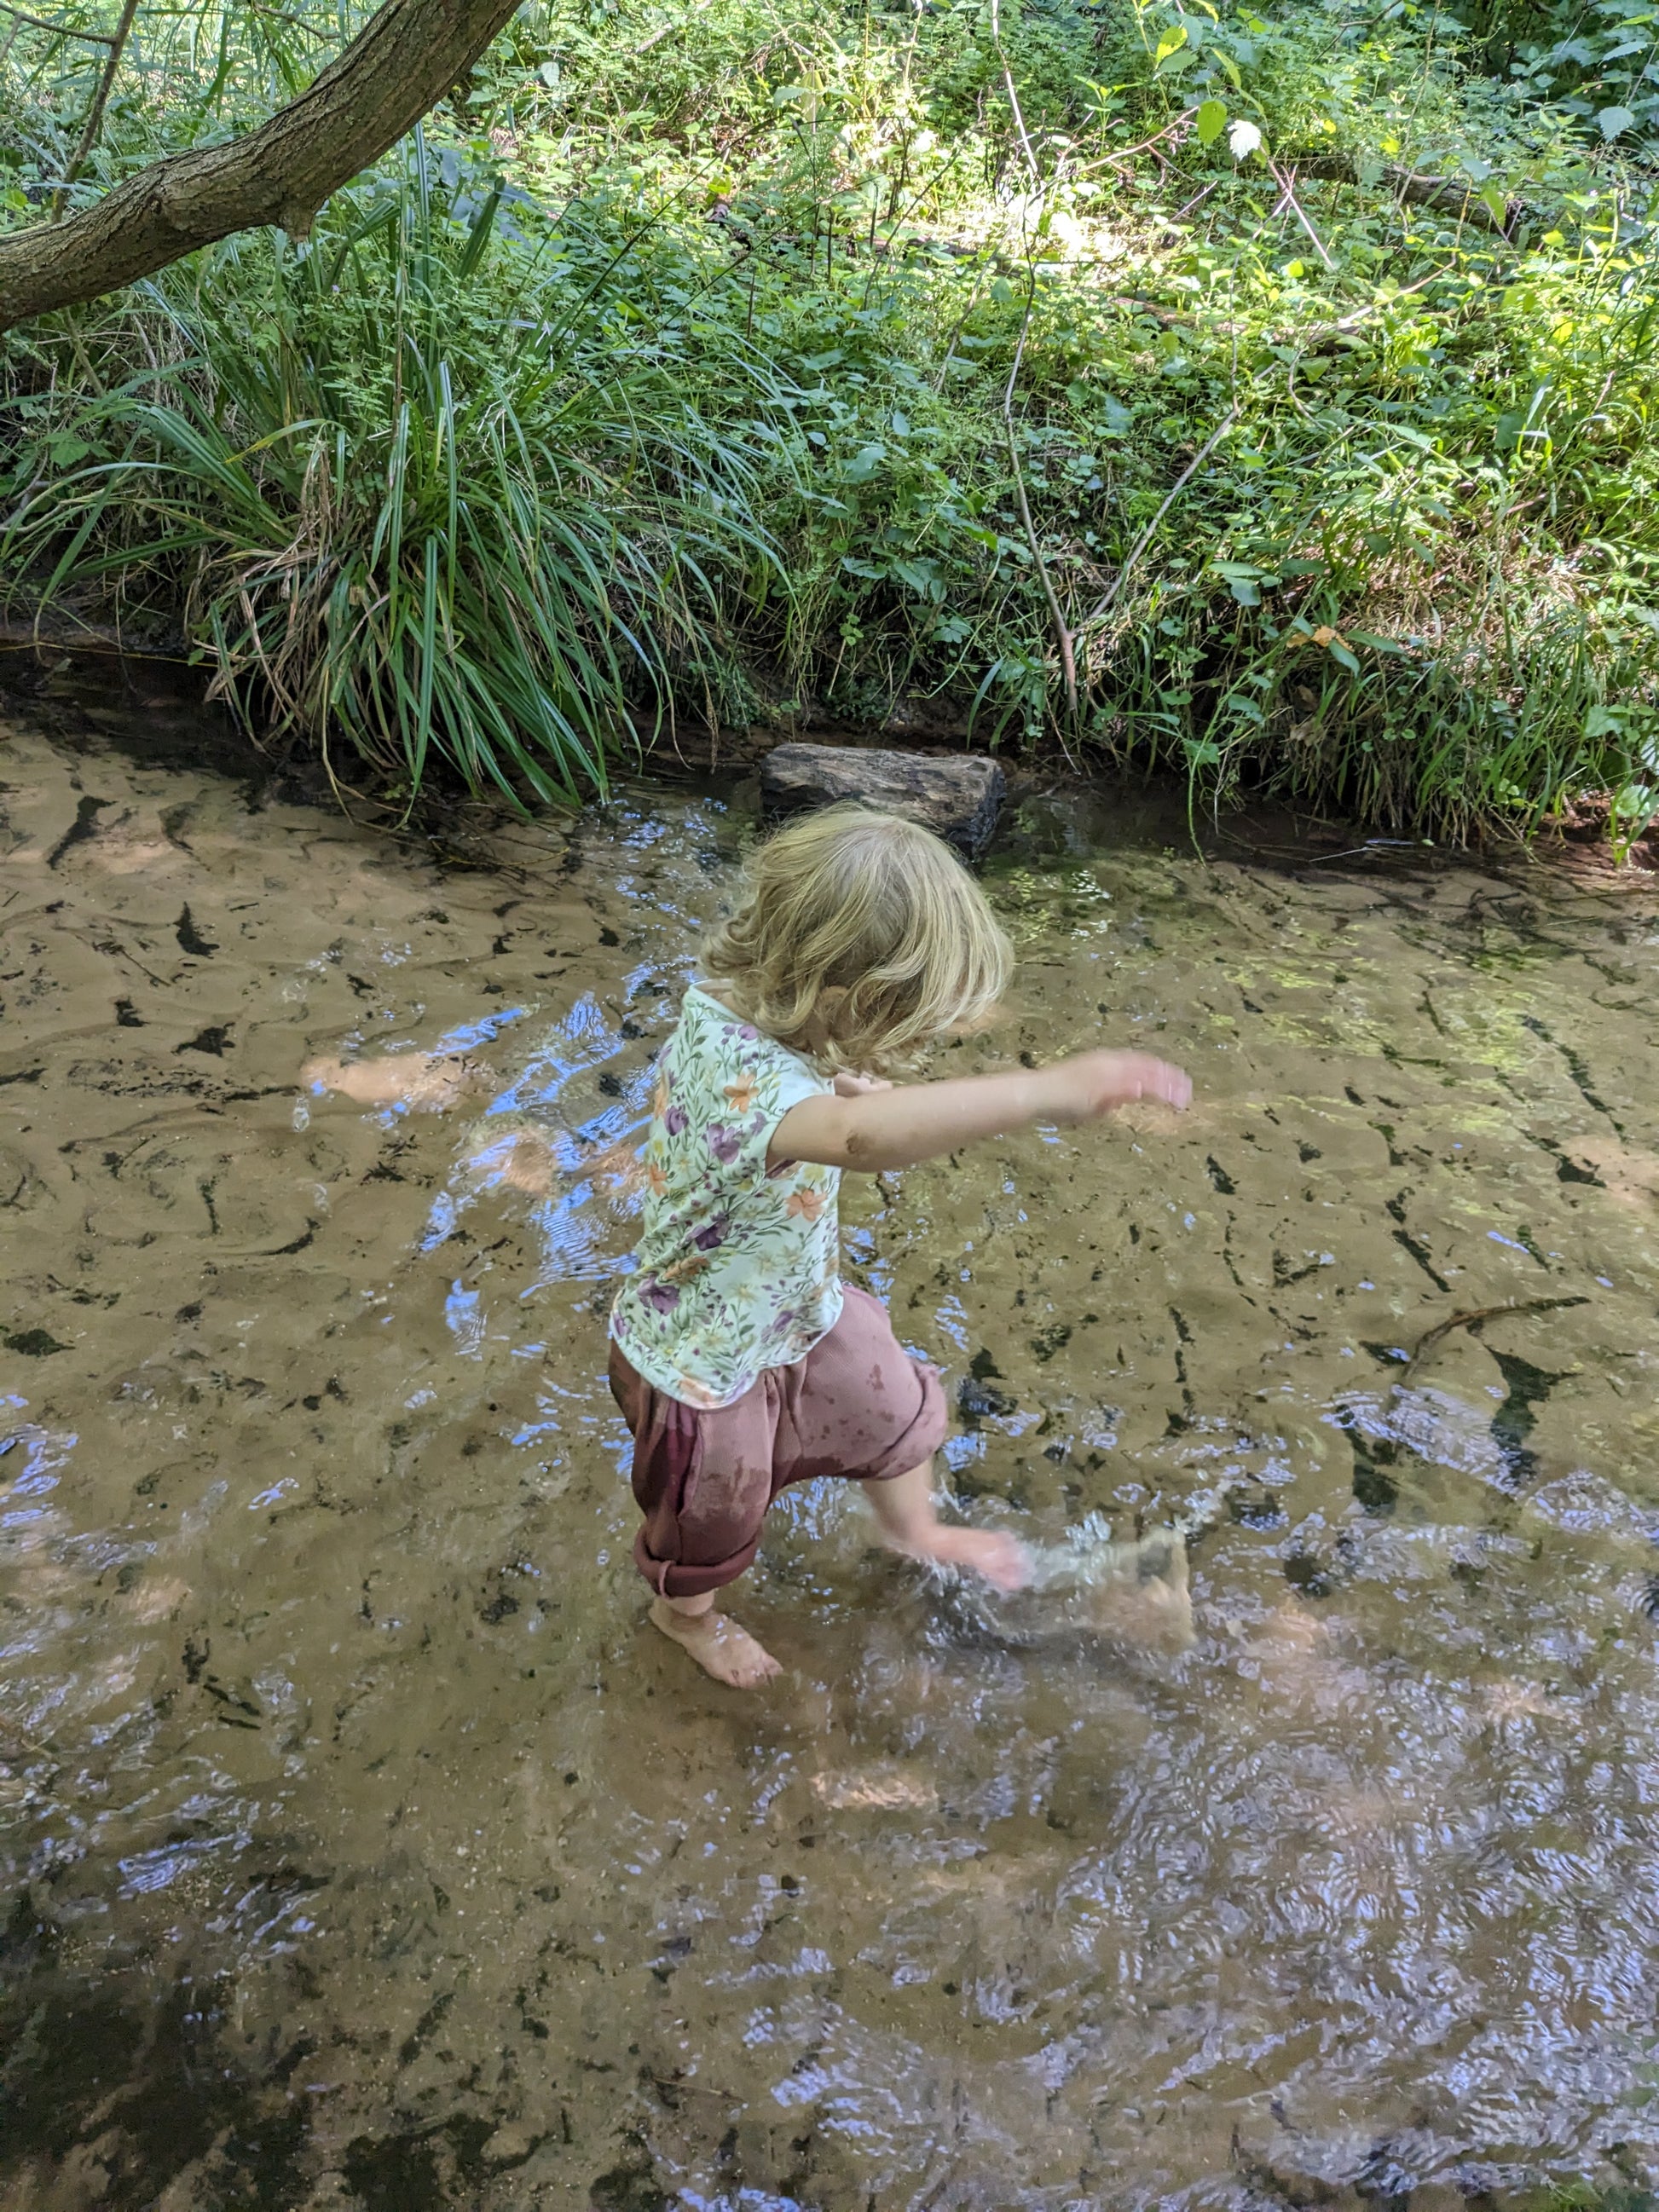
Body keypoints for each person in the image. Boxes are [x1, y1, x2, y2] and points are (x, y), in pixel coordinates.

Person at [608, 803, 1192, 1689]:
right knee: (709, 1517)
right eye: (904, 1020)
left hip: (792, 1311)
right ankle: (682, 1617)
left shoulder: (743, 1019)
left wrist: (828, 1074)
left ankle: (912, 1530)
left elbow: (789, 1093)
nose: (915, 1040)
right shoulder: (765, 1090)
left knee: (890, 1406)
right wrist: (1040, 1092)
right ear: (842, 997)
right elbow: (857, 1141)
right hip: (698, 1362)